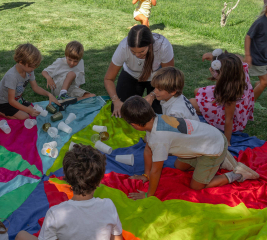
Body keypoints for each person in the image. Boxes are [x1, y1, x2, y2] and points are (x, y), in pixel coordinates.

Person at [15, 145, 164, 240]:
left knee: (22, 237)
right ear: (99, 181)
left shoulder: (55, 214)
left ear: (67, 178)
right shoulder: (108, 206)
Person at [121, 96, 259, 199]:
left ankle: (237, 173)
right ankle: (219, 159)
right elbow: (148, 149)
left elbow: (156, 171)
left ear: (135, 125)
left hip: (213, 148)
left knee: (197, 186)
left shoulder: (159, 139)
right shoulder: (154, 119)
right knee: (179, 166)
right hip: (210, 138)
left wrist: (148, 195)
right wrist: (146, 175)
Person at [104, 25, 174, 116]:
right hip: (131, 74)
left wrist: (153, 95)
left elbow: (170, 76)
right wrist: (116, 101)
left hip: (158, 79)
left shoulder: (163, 46)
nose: (137, 55)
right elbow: (108, 79)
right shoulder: (123, 47)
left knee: (160, 113)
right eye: (133, 51)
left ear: (150, 45)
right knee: (121, 111)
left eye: (142, 51)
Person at [190, 50, 254, 142]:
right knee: (197, 91)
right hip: (224, 96)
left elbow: (229, 119)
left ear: (224, 76)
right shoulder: (239, 67)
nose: (210, 70)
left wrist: (227, 142)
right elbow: (236, 56)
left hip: (229, 116)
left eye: (214, 70)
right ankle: (203, 112)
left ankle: (206, 113)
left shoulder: (230, 92)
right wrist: (213, 56)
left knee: (191, 102)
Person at [0, 43, 60, 120]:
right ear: (21, 62)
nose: (33, 69)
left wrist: (49, 94)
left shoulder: (29, 71)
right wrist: (28, 110)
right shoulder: (12, 76)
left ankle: (18, 109)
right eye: (32, 66)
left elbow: (35, 87)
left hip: (17, 99)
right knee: (25, 116)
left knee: (33, 110)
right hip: (3, 102)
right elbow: (11, 101)